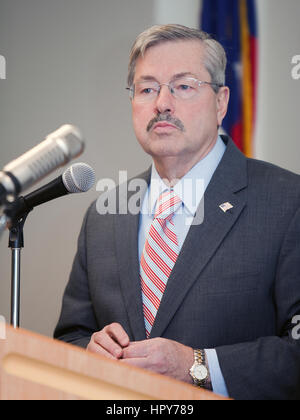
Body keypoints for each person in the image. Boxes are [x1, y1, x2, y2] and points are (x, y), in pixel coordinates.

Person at [54, 24, 300, 400]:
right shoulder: (104, 216)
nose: (162, 103)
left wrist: (196, 367)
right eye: (147, 88)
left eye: (183, 86)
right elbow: (70, 337)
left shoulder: (287, 201)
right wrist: (90, 354)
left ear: (221, 102)